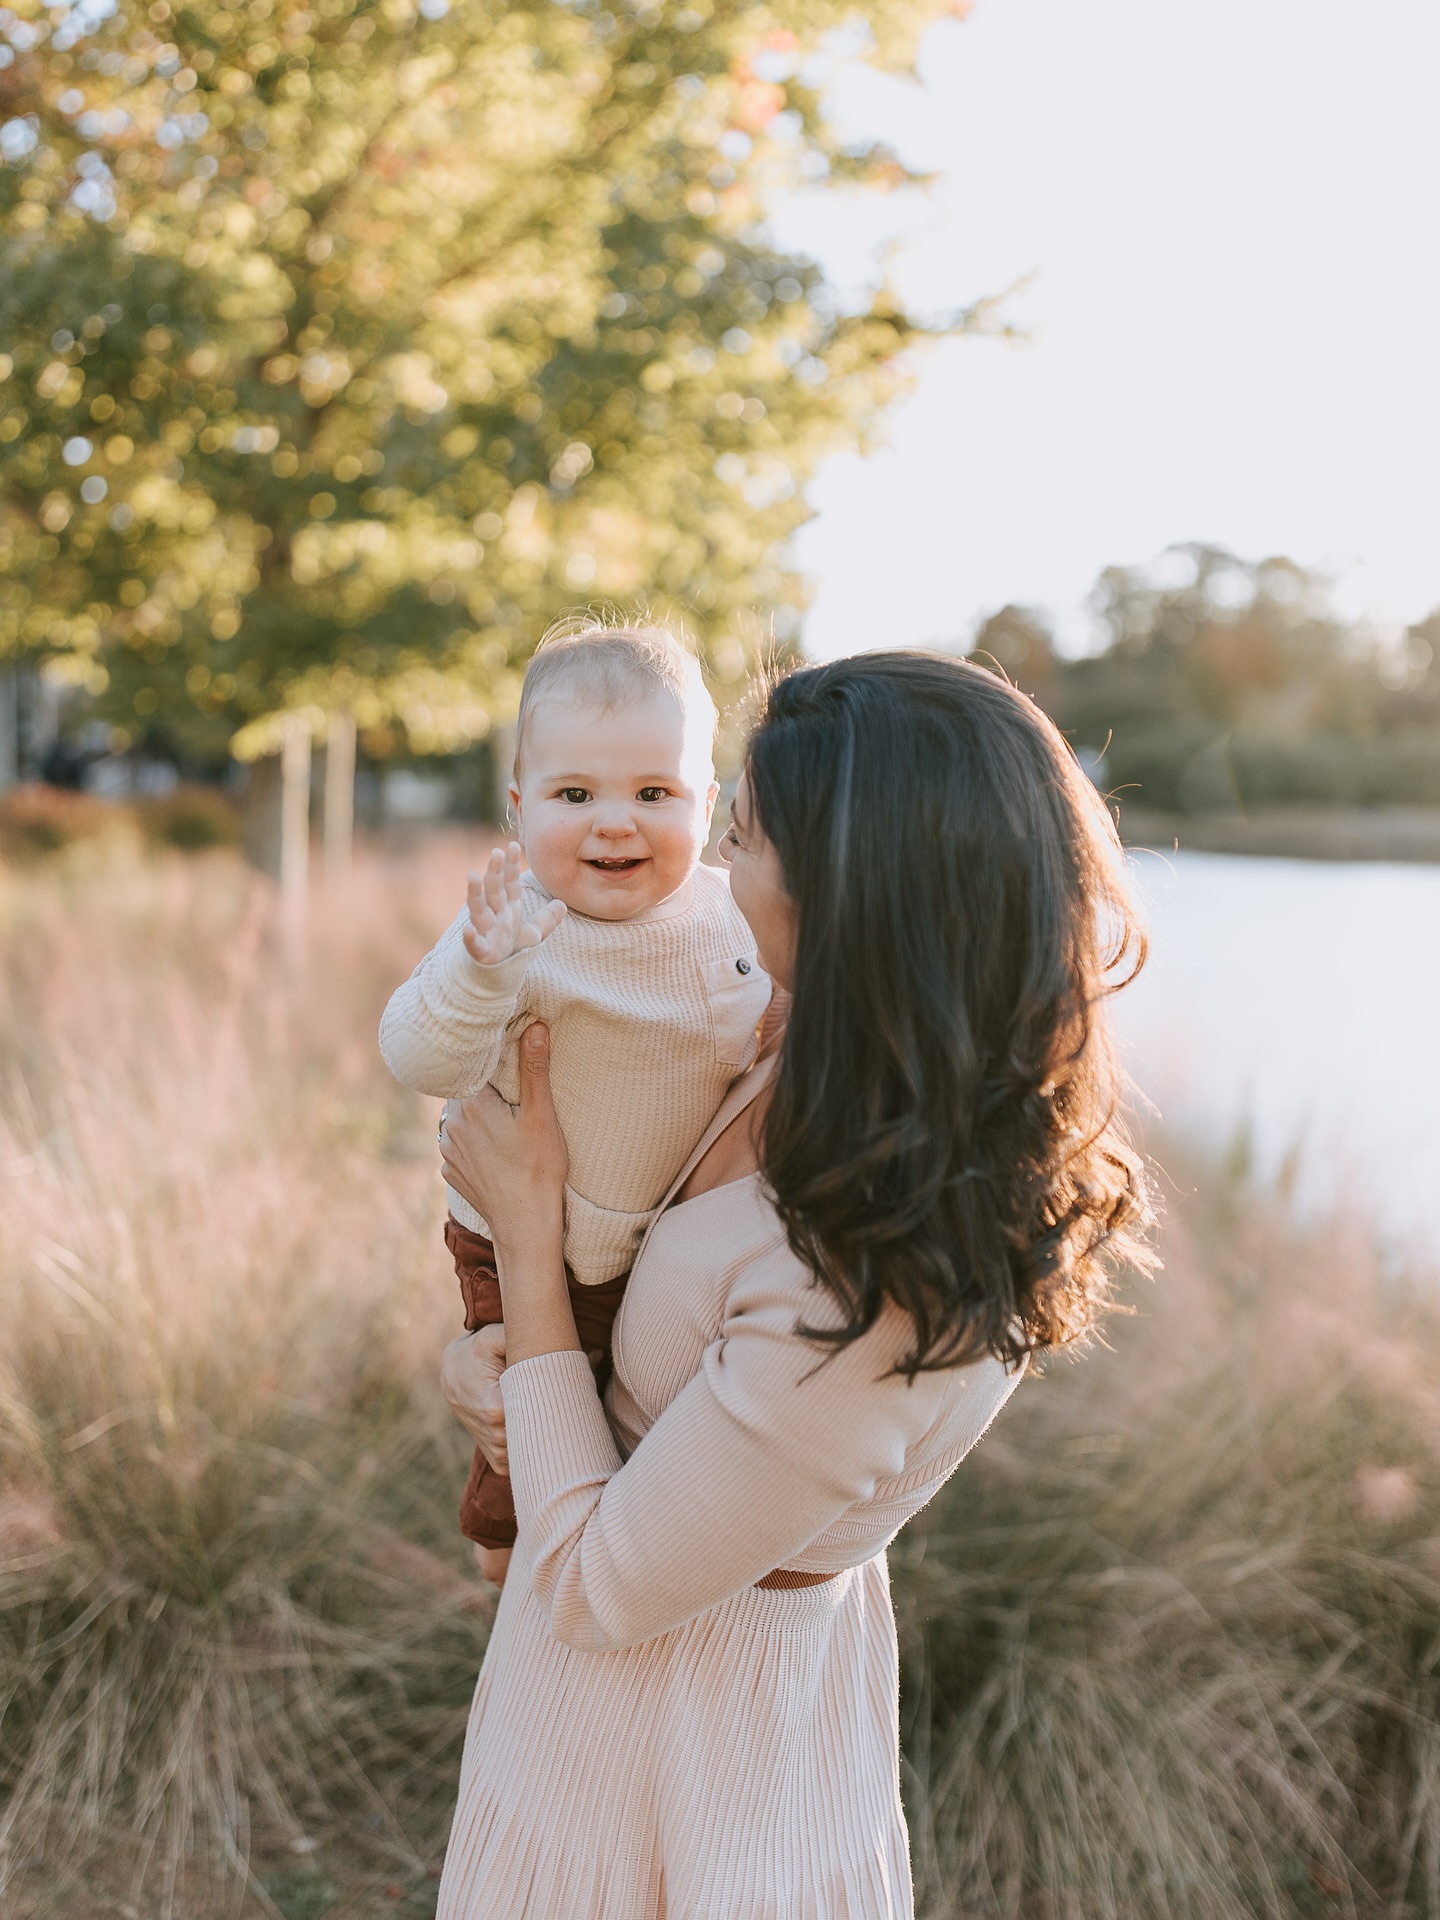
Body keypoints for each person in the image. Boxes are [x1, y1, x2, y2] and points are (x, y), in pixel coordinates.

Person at [434, 652, 1152, 1918]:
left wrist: (528, 1243)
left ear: (846, 887)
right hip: (580, 1722)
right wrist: (501, 1362)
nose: (708, 860)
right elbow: (648, 1365)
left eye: (743, 833)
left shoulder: (886, 1276)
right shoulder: (796, 1052)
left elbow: (598, 1589)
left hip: (692, 1772)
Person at [379, 622, 771, 1578]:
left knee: (632, 1458)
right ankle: (507, 1587)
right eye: (574, 794)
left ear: (707, 801)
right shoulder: (515, 929)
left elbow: (764, 1019)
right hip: (520, 1245)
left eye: (653, 793)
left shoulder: (730, 916)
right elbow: (415, 1055)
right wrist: (482, 972)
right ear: (519, 808)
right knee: (525, 1453)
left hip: (656, 1255)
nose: (614, 821)